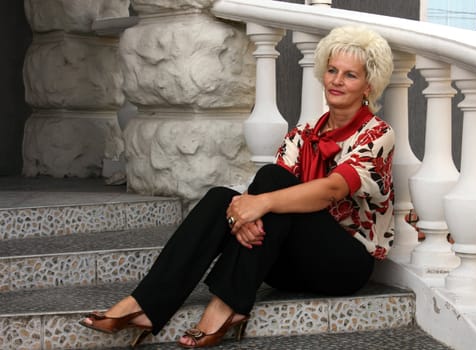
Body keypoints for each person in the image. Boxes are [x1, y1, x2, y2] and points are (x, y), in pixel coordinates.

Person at [79, 25, 395, 349]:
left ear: (369, 84)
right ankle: (146, 303)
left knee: (271, 184)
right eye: (332, 70)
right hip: (285, 266)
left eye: (350, 75)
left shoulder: (376, 135)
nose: (337, 80)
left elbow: (331, 190)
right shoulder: (303, 134)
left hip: (343, 265)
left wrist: (258, 205)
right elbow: (269, 192)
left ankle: (225, 306)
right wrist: (241, 215)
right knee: (222, 197)